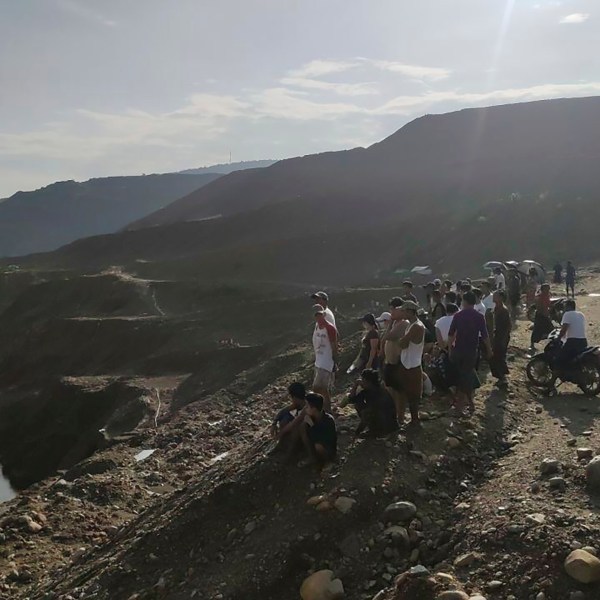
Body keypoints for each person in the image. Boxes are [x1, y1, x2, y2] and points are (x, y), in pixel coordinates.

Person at [448, 291, 492, 414]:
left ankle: (461, 407)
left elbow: (451, 335)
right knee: (466, 376)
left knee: (463, 377)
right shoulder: (479, 317)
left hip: (458, 350)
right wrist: (489, 349)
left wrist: (450, 350)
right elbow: (485, 335)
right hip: (471, 352)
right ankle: (467, 405)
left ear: (465, 302)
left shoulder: (458, 315)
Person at [341, 369, 397, 437]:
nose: (361, 382)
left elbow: (367, 413)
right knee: (358, 404)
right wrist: (355, 385)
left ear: (369, 382)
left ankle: (376, 431)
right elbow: (351, 400)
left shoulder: (377, 393)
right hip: (386, 422)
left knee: (363, 409)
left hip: (387, 424)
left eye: (363, 380)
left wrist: (358, 431)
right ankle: (375, 430)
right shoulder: (368, 390)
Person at [380, 298, 408, 426]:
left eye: (392, 309)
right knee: (390, 390)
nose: (391, 312)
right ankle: (394, 416)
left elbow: (388, 337)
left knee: (399, 392)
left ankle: (400, 417)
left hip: (397, 363)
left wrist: (391, 323)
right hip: (389, 362)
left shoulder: (403, 323)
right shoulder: (395, 323)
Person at [397, 301, 425, 427]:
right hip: (408, 364)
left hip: (412, 365)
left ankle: (415, 420)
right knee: (407, 393)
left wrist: (401, 341)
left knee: (413, 395)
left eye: (403, 310)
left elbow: (402, 344)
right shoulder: (411, 325)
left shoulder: (416, 326)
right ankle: (412, 419)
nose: (401, 313)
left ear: (409, 311)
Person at [312, 304, 339, 412]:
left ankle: (326, 410)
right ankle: (324, 409)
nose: (319, 317)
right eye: (316, 315)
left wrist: (335, 362)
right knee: (321, 389)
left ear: (324, 314)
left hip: (326, 361)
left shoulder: (330, 328)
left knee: (318, 387)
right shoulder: (317, 327)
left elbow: (334, 346)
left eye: (320, 314)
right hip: (318, 361)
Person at [298, 392, 337, 467]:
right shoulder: (312, 417)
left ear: (314, 409)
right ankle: (311, 456)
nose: (305, 408)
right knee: (302, 426)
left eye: (307, 406)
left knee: (318, 446)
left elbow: (321, 439)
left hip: (327, 448)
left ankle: (326, 462)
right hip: (315, 443)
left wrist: (312, 425)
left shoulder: (328, 421)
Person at [270, 382, 307, 454]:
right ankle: (281, 444)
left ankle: (290, 453)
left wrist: (279, 434)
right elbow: (284, 410)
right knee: (284, 419)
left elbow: (294, 423)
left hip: (311, 431)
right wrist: (274, 423)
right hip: (299, 426)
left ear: (294, 397)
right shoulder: (299, 402)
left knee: (297, 427)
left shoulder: (307, 406)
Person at [557, 299, 587, 369]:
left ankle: (554, 378)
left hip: (573, 342)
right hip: (583, 341)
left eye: (564, 306)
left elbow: (564, 330)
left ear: (568, 307)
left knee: (559, 359)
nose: (563, 309)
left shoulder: (567, 314)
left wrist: (558, 339)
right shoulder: (581, 315)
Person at [489, 290, 510, 387]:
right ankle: (501, 376)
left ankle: (503, 378)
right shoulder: (496, 308)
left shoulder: (503, 310)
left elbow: (507, 327)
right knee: (496, 357)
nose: (493, 297)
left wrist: (503, 340)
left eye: (496, 295)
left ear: (501, 298)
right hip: (496, 337)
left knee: (498, 357)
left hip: (501, 338)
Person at [529, 283, 553, 354]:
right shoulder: (539, 297)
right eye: (547, 289)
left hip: (545, 315)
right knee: (537, 330)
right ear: (543, 290)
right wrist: (545, 313)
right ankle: (532, 345)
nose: (548, 290)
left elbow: (548, 304)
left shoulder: (546, 296)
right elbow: (540, 308)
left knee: (550, 329)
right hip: (540, 316)